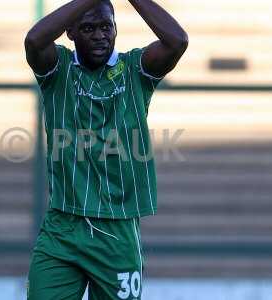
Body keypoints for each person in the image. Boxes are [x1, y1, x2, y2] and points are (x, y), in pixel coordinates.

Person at [24, 0, 188, 299]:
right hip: (63, 228)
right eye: (88, 28)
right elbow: (34, 40)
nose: (100, 35)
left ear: (115, 29)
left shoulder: (135, 69)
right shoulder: (57, 69)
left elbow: (177, 41)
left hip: (117, 231)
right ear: (69, 32)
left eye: (106, 26)